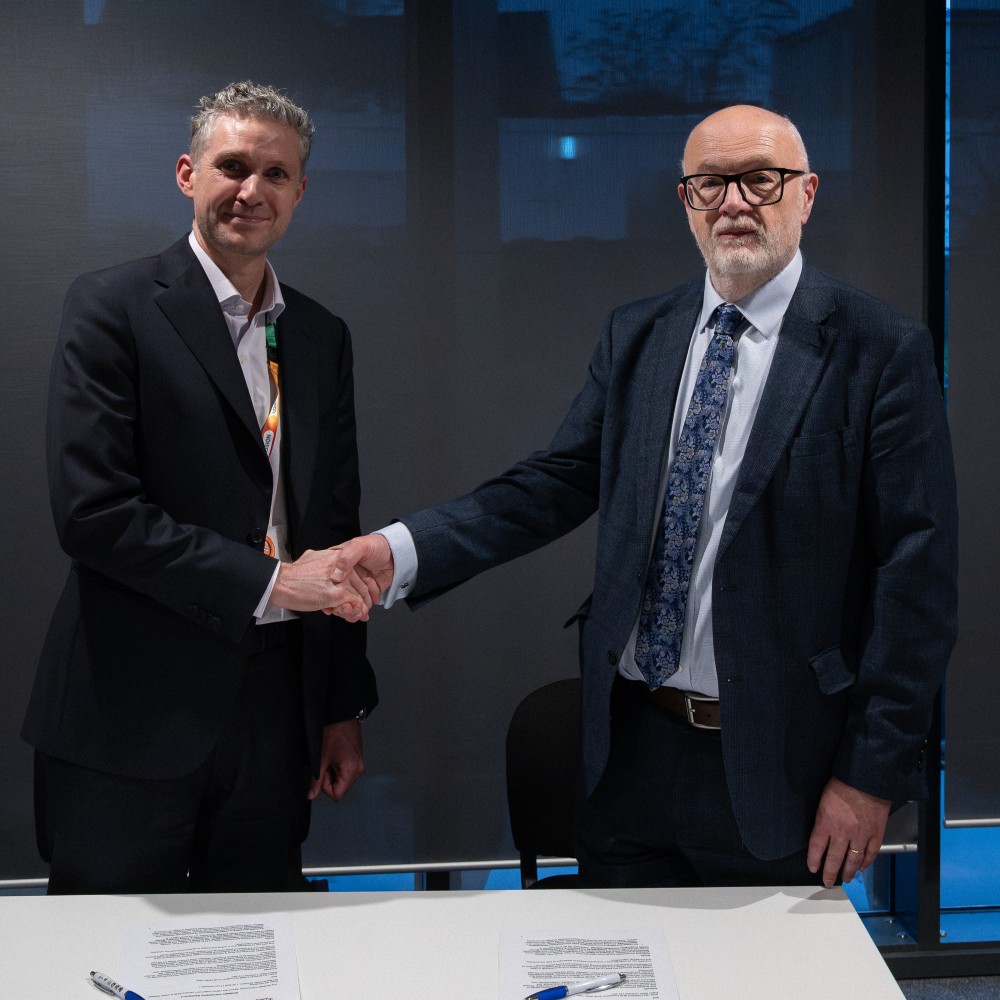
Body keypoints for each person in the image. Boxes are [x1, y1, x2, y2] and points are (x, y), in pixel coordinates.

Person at [332, 105, 958, 888]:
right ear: (685, 202)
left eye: (760, 179)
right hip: (629, 749)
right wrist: (398, 551)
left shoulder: (879, 348)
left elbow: (918, 581)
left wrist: (869, 776)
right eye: (709, 184)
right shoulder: (639, 335)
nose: (734, 202)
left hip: (779, 762)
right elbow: (553, 484)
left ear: (806, 193)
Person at [22, 81, 379, 894]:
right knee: (104, 946)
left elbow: (332, 525)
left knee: (257, 952)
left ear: (299, 192)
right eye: (232, 166)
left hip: (275, 713)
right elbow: (94, 514)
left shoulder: (320, 337)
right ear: (188, 175)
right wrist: (272, 580)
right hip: (128, 710)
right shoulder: (111, 307)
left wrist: (338, 705)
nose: (252, 190)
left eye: (276, 174)